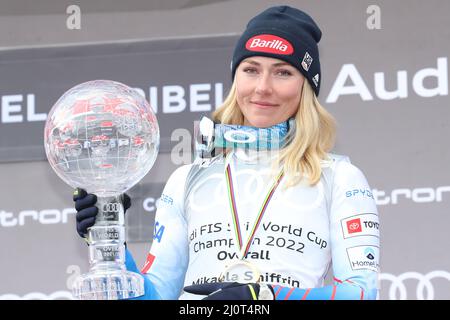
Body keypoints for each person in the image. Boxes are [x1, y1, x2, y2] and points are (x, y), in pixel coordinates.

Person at [74, 5, 380, 300]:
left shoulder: (338, 177)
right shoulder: (188, 178)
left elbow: (362, 292)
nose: (262, 87)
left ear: (306, 87)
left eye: (283, 72)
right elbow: (153, 296)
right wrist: (110, 245)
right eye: (251, 69)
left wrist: (267, 296)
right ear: (236, 79)